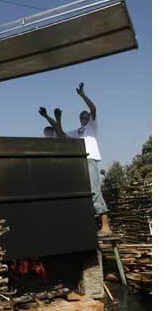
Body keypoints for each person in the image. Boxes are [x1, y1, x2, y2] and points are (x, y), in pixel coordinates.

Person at [39, 83, 112, 236]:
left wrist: (82, 95)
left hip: (89, 160)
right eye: (81, 115)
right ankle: (88, 224)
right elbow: (61, 134)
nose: (84, 115)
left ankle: (106, 226)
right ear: (80, 118)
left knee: (94, 190)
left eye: (85, 114)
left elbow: (93, 108)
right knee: (82, 192)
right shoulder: (77, 131)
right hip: (78, 163)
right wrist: (52, 117)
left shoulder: (92, 126)